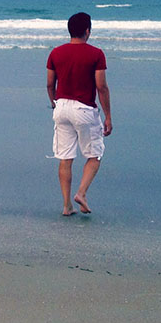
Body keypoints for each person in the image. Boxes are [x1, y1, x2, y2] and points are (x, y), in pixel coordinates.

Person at [46, 12, 112, 216]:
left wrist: (55, 103)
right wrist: (108, 116)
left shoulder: (56, 53)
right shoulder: (96, 54)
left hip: (61, 107)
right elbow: (101, 87)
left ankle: (67, 205)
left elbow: (49, 84)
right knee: (94, 154)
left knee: (65, 158)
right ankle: (81, 193)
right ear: (87, 31)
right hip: (83, 109)